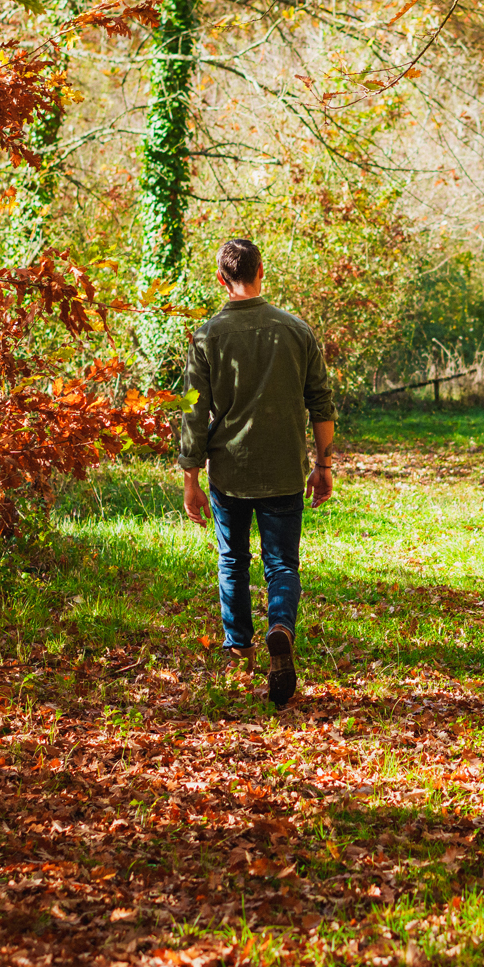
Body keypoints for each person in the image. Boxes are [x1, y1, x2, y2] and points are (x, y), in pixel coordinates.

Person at [178, 238, 336, 708]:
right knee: (282, 563)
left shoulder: (206, 337)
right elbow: (321, 404)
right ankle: (281, 627)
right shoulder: (297, 330)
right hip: (285, 468)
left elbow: (192, 411)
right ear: (262, 270)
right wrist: (324, 465)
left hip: (229, 472)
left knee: (233, 560)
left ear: (221, 279)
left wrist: (190, 477)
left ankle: (241, 645)